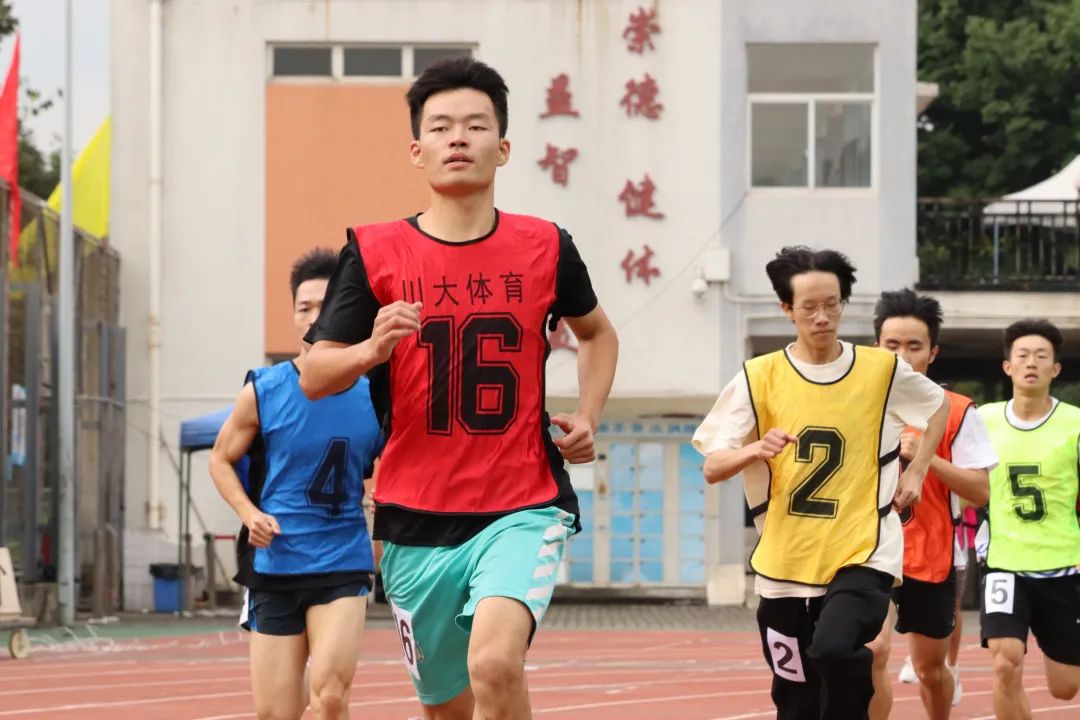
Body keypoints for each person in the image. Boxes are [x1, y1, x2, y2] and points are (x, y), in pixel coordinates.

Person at [300, 57, 619, 720]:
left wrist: (589, 413)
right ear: (416, 150)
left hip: (523, 502)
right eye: (441, 127)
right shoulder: (375, 252)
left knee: (496, 664)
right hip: (414, 515)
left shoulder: (545, 246)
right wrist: (371, 349)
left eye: (476, 125)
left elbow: (597, 334)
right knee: (448, 707)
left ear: (503, 147)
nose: (458, 138)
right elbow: (315, 374)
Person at [693, 247, 950, 720]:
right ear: (786, 308)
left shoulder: (881, 370)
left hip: (862, 550)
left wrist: (917, 470)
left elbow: (938, 406)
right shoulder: (758, 377)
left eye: (832, 304)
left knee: (834, 647)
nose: (822, 317)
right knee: (795, 702)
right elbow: (713, 466)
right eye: (809, 307)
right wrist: (755, 448)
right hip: (784, 561)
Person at [209, 249, 382, 720]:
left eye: (325, 306)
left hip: (342, 560)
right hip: (276, 562)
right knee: (276, 713)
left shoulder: (375, 395)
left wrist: (381, 505)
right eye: (304, 307)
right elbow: (221, 459)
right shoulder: (263, 390)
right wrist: (249, 514)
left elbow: (396, 462)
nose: (313, 317)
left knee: (330, 699)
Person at [866, 288, 995, 720]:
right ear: (876, 347)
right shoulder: (854, 404)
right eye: (892, 345)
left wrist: (926, 457)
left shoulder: (958, 411)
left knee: (930, 670)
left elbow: (980, 491)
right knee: (873, 651)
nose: (902, 356)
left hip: (931, 555)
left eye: (914, 346)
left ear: (933, 352)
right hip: (865, 549)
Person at [978, 319, 1080, 718]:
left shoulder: (1075, 424)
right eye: (1022, 355)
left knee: (1065, 688)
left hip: (1063, 566)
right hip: (1004, 563)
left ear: (1056, 369)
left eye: (1041, 356)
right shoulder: (983, 420)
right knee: (1005, 663)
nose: (1031, 363)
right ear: (1007, 366)